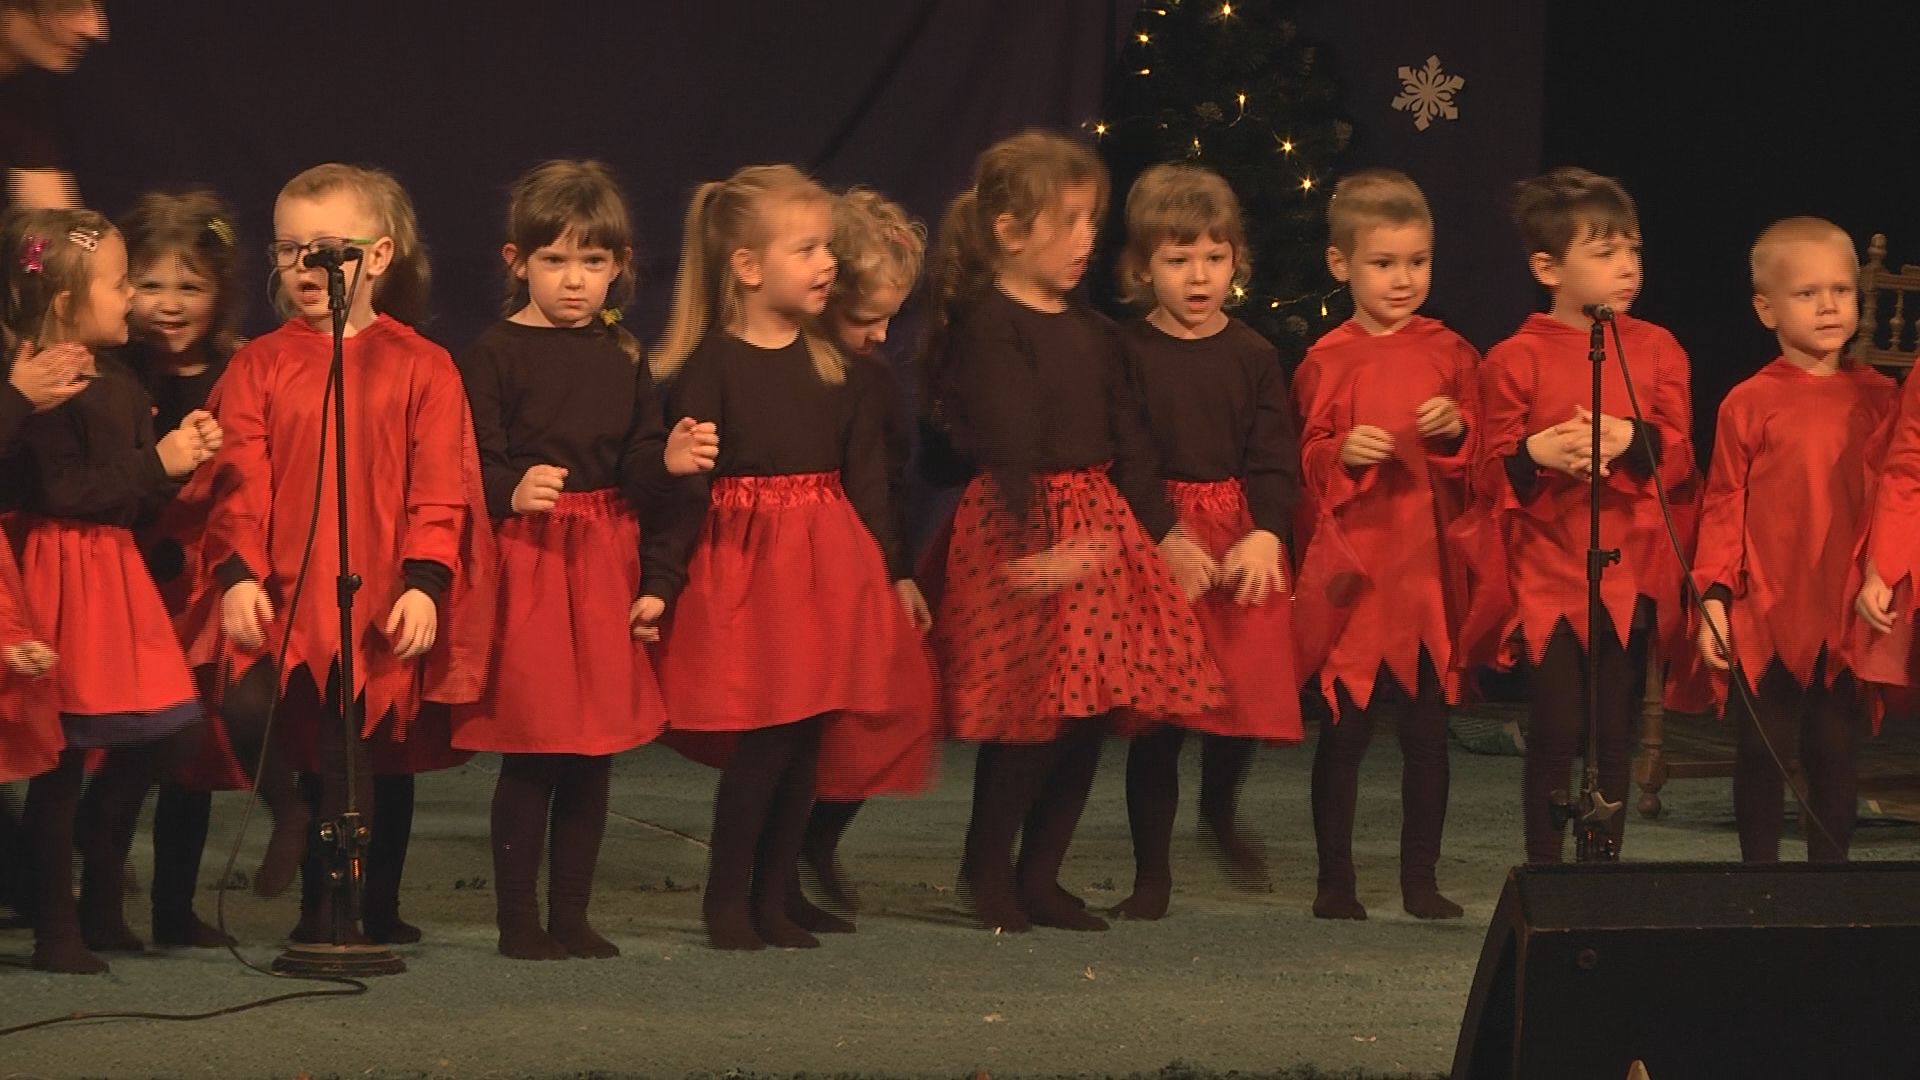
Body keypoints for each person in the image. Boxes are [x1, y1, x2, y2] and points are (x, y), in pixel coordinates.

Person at [920, 131, 1221, 934]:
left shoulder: (1094, 331)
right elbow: (1003, 437)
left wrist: (1166, 533)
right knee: (1028, 714)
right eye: (1070, 220)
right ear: (1011, 233)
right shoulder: (989, 325)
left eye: (1093, 219)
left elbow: (1130, 440)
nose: (1088, 237)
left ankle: (1041, 874)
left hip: (1096, 524)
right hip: (1022, 527)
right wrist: (1035, 548)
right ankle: (987, 873)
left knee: (1087, 710)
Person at [197, 163, 494, 944]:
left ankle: (335, 913)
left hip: (372, 589)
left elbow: (441, 486)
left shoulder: (422, 365)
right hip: (282, 587)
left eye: (326, 249)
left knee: (351, 747)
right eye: (288, 249)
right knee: (247, 705)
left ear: (379, 254)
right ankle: (289, 812)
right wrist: (238, 574)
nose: (304, 267)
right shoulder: (260, 363)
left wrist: (425, 580)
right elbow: (238, 481)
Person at [650, 163, 934, 951]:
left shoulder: (836, 365)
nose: (826, 264)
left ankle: (776, 895)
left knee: (809, 735)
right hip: (750, 573)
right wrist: (662, 581)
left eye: (824, 249)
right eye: (806, 249)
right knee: (766, 738)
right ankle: (727, 900)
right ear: (748, 267)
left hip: (826, 566)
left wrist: (894, 572)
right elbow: (687, 488)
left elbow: (868, 481)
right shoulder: (712, 363)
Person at [453, 159, 713, 960]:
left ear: (620, 267)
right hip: (531, 560)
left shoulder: (622, 354)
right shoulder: (494, 353)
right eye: (555, 259)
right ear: (517, 262)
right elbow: (470, 461)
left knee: (593, 753)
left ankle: (571, 914)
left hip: (602, 557)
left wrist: (665, 460)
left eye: (592, 261)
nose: (574, 280)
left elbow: (635, 459)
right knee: (534, 750)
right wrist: (510, 488)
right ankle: (518, 920)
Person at [5, 208, 222, 972]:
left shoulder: (122, 379)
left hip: (114, 577)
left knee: (166, 731)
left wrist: (177, 465)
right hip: (59, 577)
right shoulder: (44, 385)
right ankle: (57, 926)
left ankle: (100, 889)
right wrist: (157, 463)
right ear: (67, 301)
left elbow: (127, 500)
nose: (132, 297)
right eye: (121, 282)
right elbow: (67, 492)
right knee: (63, 761)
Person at [1477, 166, 1694, 863]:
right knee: (1556, 728)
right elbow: (1486, 471)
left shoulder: (1657, 348)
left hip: (1628, 567)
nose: (1628, 267)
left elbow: (1681, 456)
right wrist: (1536, 452)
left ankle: (1601, 870)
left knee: (1612, 732)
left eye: (1633, 249)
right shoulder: (1515, 358)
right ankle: (1544, 869)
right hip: (1549, 569)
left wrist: (1632, 438)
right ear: (1549, 268)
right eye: (1605, 253)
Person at [1112, 163, 1302, 919]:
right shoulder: (1127, 352)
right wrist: (1164, 534)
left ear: (1237, 262)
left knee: (1240, 696)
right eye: (1178, 259)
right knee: (1159, 720)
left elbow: (1274, 457)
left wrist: (1266, 532)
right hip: (1160, 537)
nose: (1199, 276)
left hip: (1237, 535)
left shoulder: (1253, 354)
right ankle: (1150, 876)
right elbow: (1127, 456)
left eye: (1214, 258)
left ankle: (1218, 807)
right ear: (1142, 268)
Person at [1698, 217, 1892, 864]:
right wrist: (1714, 595)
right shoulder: (1749, 402)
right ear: (1767, 309)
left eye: (1841, 290)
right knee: (1763, 748)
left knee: (1834, 751)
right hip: (1767, 607)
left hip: (1845, 607)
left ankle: (1828, 886)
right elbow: (1724, 502)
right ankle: (1760, 883)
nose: (1829, 305)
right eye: (1808, 293)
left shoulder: (1881, 399)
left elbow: (1900, 498)